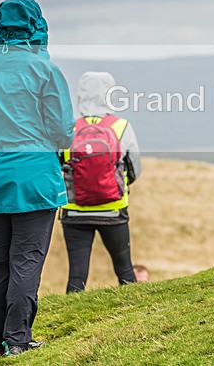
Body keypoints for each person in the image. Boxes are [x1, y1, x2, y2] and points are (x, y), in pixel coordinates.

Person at [0, 0, 75, 358]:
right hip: (34, 179)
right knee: (25, 259)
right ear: (36, 26)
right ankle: (17, 340)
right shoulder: (45, 70)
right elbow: (63, 132)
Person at [60, 71, 142, 293]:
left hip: (74, 210)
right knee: (124, 269)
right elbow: (135, 168)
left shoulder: (69, 128)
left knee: (77, 274)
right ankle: (134, 309)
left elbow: (58, 164)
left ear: (80, 94)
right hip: (113, 209)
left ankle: (69, 314)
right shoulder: (121, 126)